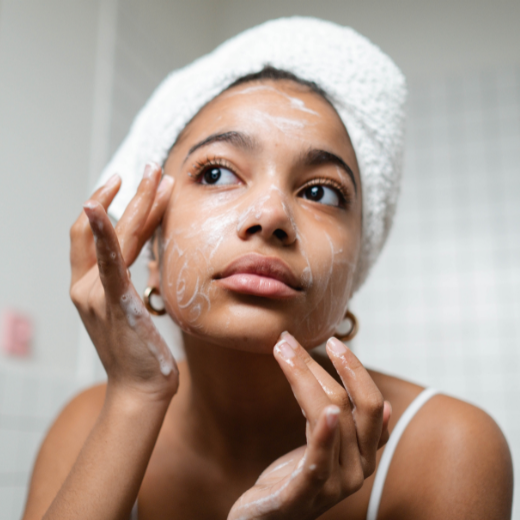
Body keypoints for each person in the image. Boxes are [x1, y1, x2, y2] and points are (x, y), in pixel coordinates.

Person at [22, 17, 512, 520]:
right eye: (216, 173)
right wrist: (135, 396)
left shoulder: (447, 450)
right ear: (151, 246)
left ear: (355, 270)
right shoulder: (86, 425)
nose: (272, 214)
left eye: (320, 191)